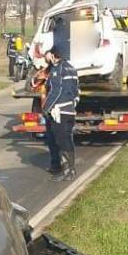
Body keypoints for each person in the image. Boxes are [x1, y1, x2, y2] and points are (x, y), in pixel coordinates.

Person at [41, 32, 79, 179]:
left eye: (50, 53)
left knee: (62, 141)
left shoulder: (58, 69)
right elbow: (76, 91)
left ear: (54, 55)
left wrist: (46, 108)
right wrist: (72, 104)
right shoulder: (71, 68)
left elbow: (56, 91)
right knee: (58, 139)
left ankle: (69, 170)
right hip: (68, 110)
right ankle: (59, 167)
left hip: (60, 112)